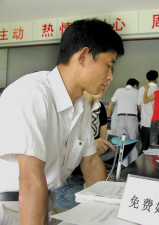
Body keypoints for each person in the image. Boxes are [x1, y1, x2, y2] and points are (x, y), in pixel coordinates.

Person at [0, 19, 124, 224]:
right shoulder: (33, 92)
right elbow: (31, 179)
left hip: (43, 204)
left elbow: (91, 163)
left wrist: (107, 212)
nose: (110, 77)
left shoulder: (82, 106)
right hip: (9, 209)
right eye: (108, 66)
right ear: (83, 56)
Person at [53, 89, 115, 209]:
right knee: (96, 208)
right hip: (64, 181)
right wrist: (88, 146)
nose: (107, 80)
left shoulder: (100, 107)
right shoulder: (68, 106)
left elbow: (98, 151)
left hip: (85, 175)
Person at [107, 78, 139, 166]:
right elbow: (139, 106)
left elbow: (110, 103)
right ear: (135, 85)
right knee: (132, 144)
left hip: (120, 119)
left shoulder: (119, 90)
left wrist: (109, 114)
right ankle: (133, 167)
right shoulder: (137, 92)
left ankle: (122, 168)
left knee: (122, 145)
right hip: (132, 119)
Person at [137, 70, 159, 151]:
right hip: (156, 123)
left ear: (147, 79)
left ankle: (143, 163)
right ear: (157, 78)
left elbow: (139, 105)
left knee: (144, 147)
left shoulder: (142, 89)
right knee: (154, 148)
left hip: (145, 122)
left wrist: (143, 113)